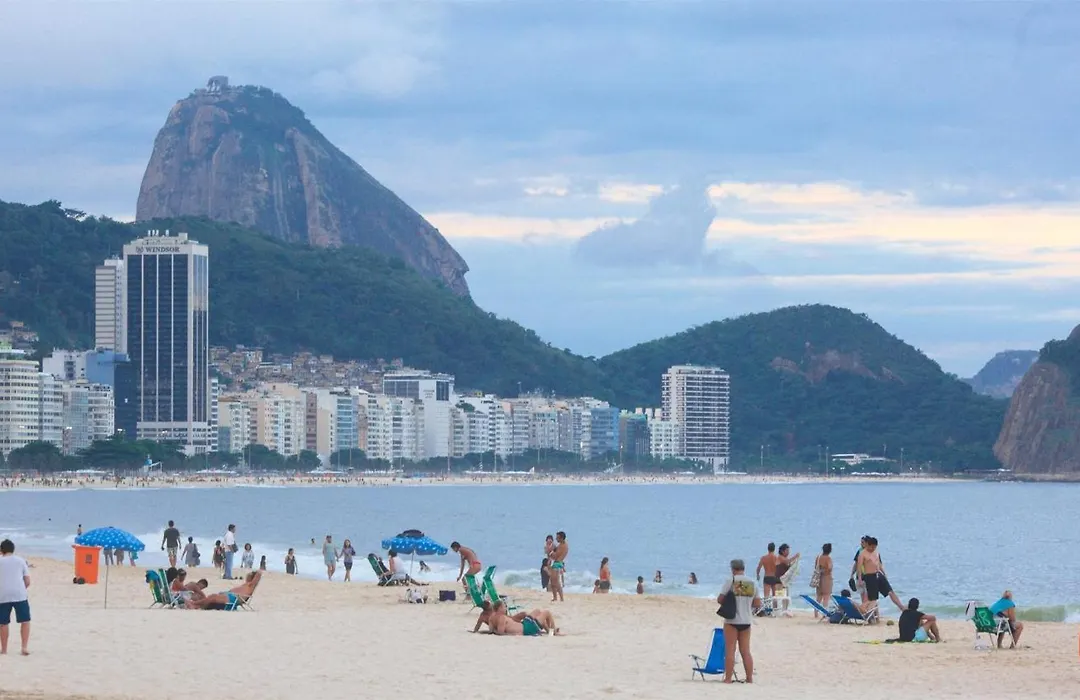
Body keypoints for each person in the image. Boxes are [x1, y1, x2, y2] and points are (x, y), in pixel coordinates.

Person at [716, 559, 761, 684]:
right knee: (745, 651)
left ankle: (728, 679)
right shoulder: (752, 582)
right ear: (743, 568)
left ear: (732, 569)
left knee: (730, 650)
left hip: (732, 620)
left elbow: (720, 599)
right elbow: (757, 603)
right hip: (746, 620)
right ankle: (749, 678)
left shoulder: (731, 581)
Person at [0, 539, 31, 655]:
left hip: (3, 595)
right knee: (25, 621)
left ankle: (4, 649)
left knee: (3, 623)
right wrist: (22, 588)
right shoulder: (21, 560)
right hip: (19, 594)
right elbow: (27, 580)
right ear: (13, 549)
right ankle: (24, 647)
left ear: (1, 550)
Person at [858, 537, 904, 614]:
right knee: (873, 599)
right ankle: (864, 611)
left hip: (878, 574)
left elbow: (879, 563)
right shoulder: (862, 554)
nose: (872, 549)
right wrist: (860, 579)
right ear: (868, 545)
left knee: (890, 592)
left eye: (874, 547)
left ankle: (902, 607)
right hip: (869, 576)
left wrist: (884, 573)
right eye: (871, 547)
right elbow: (859, 567)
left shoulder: (876, 552)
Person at [186, 570, 262, 610]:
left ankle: (194, 604)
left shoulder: (251, 585)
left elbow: (259, 573)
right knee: (211, 598)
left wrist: (256, 571)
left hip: (233, 598)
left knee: (212, 597)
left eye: (249, 575)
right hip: (229, 595)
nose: (247, 576)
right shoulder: (246, 584)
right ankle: (196, 606)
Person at [813, 543, 834, 618]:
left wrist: (821, 570)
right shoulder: (828, 558)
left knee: (818, 596)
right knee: (826, 596)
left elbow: (816, 567)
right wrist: (825, 570)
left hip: (819, 578)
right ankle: (824, 614)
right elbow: (830, 568)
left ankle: (816, 614)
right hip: (826, 578)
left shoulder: (818, 557)